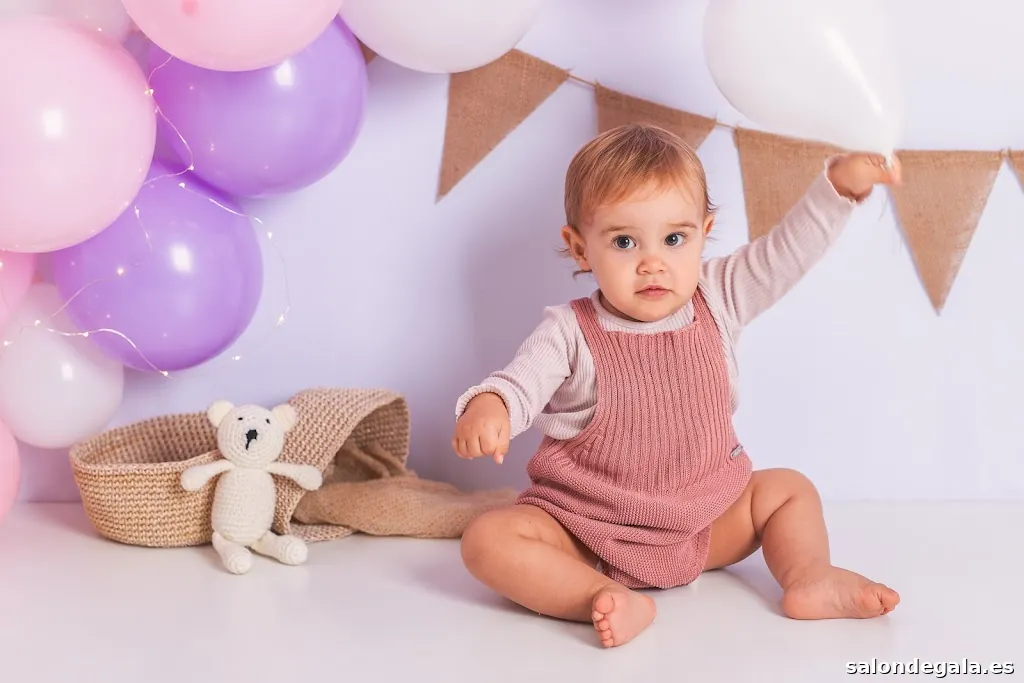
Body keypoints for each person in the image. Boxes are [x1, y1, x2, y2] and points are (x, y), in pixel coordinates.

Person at [451, 123, 902, 648]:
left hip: (703, 524)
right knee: (488, 539)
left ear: (703, 234)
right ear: (580, 248)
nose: (652, 263)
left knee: (789, 490)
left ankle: (809, 577)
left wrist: (837, 189)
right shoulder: (569, 331)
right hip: (586, 531)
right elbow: (521, 382)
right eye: (624, 241)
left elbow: (785, 253)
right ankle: (599, 595)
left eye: (674, 239)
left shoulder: (720, 298)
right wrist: (493, 405)